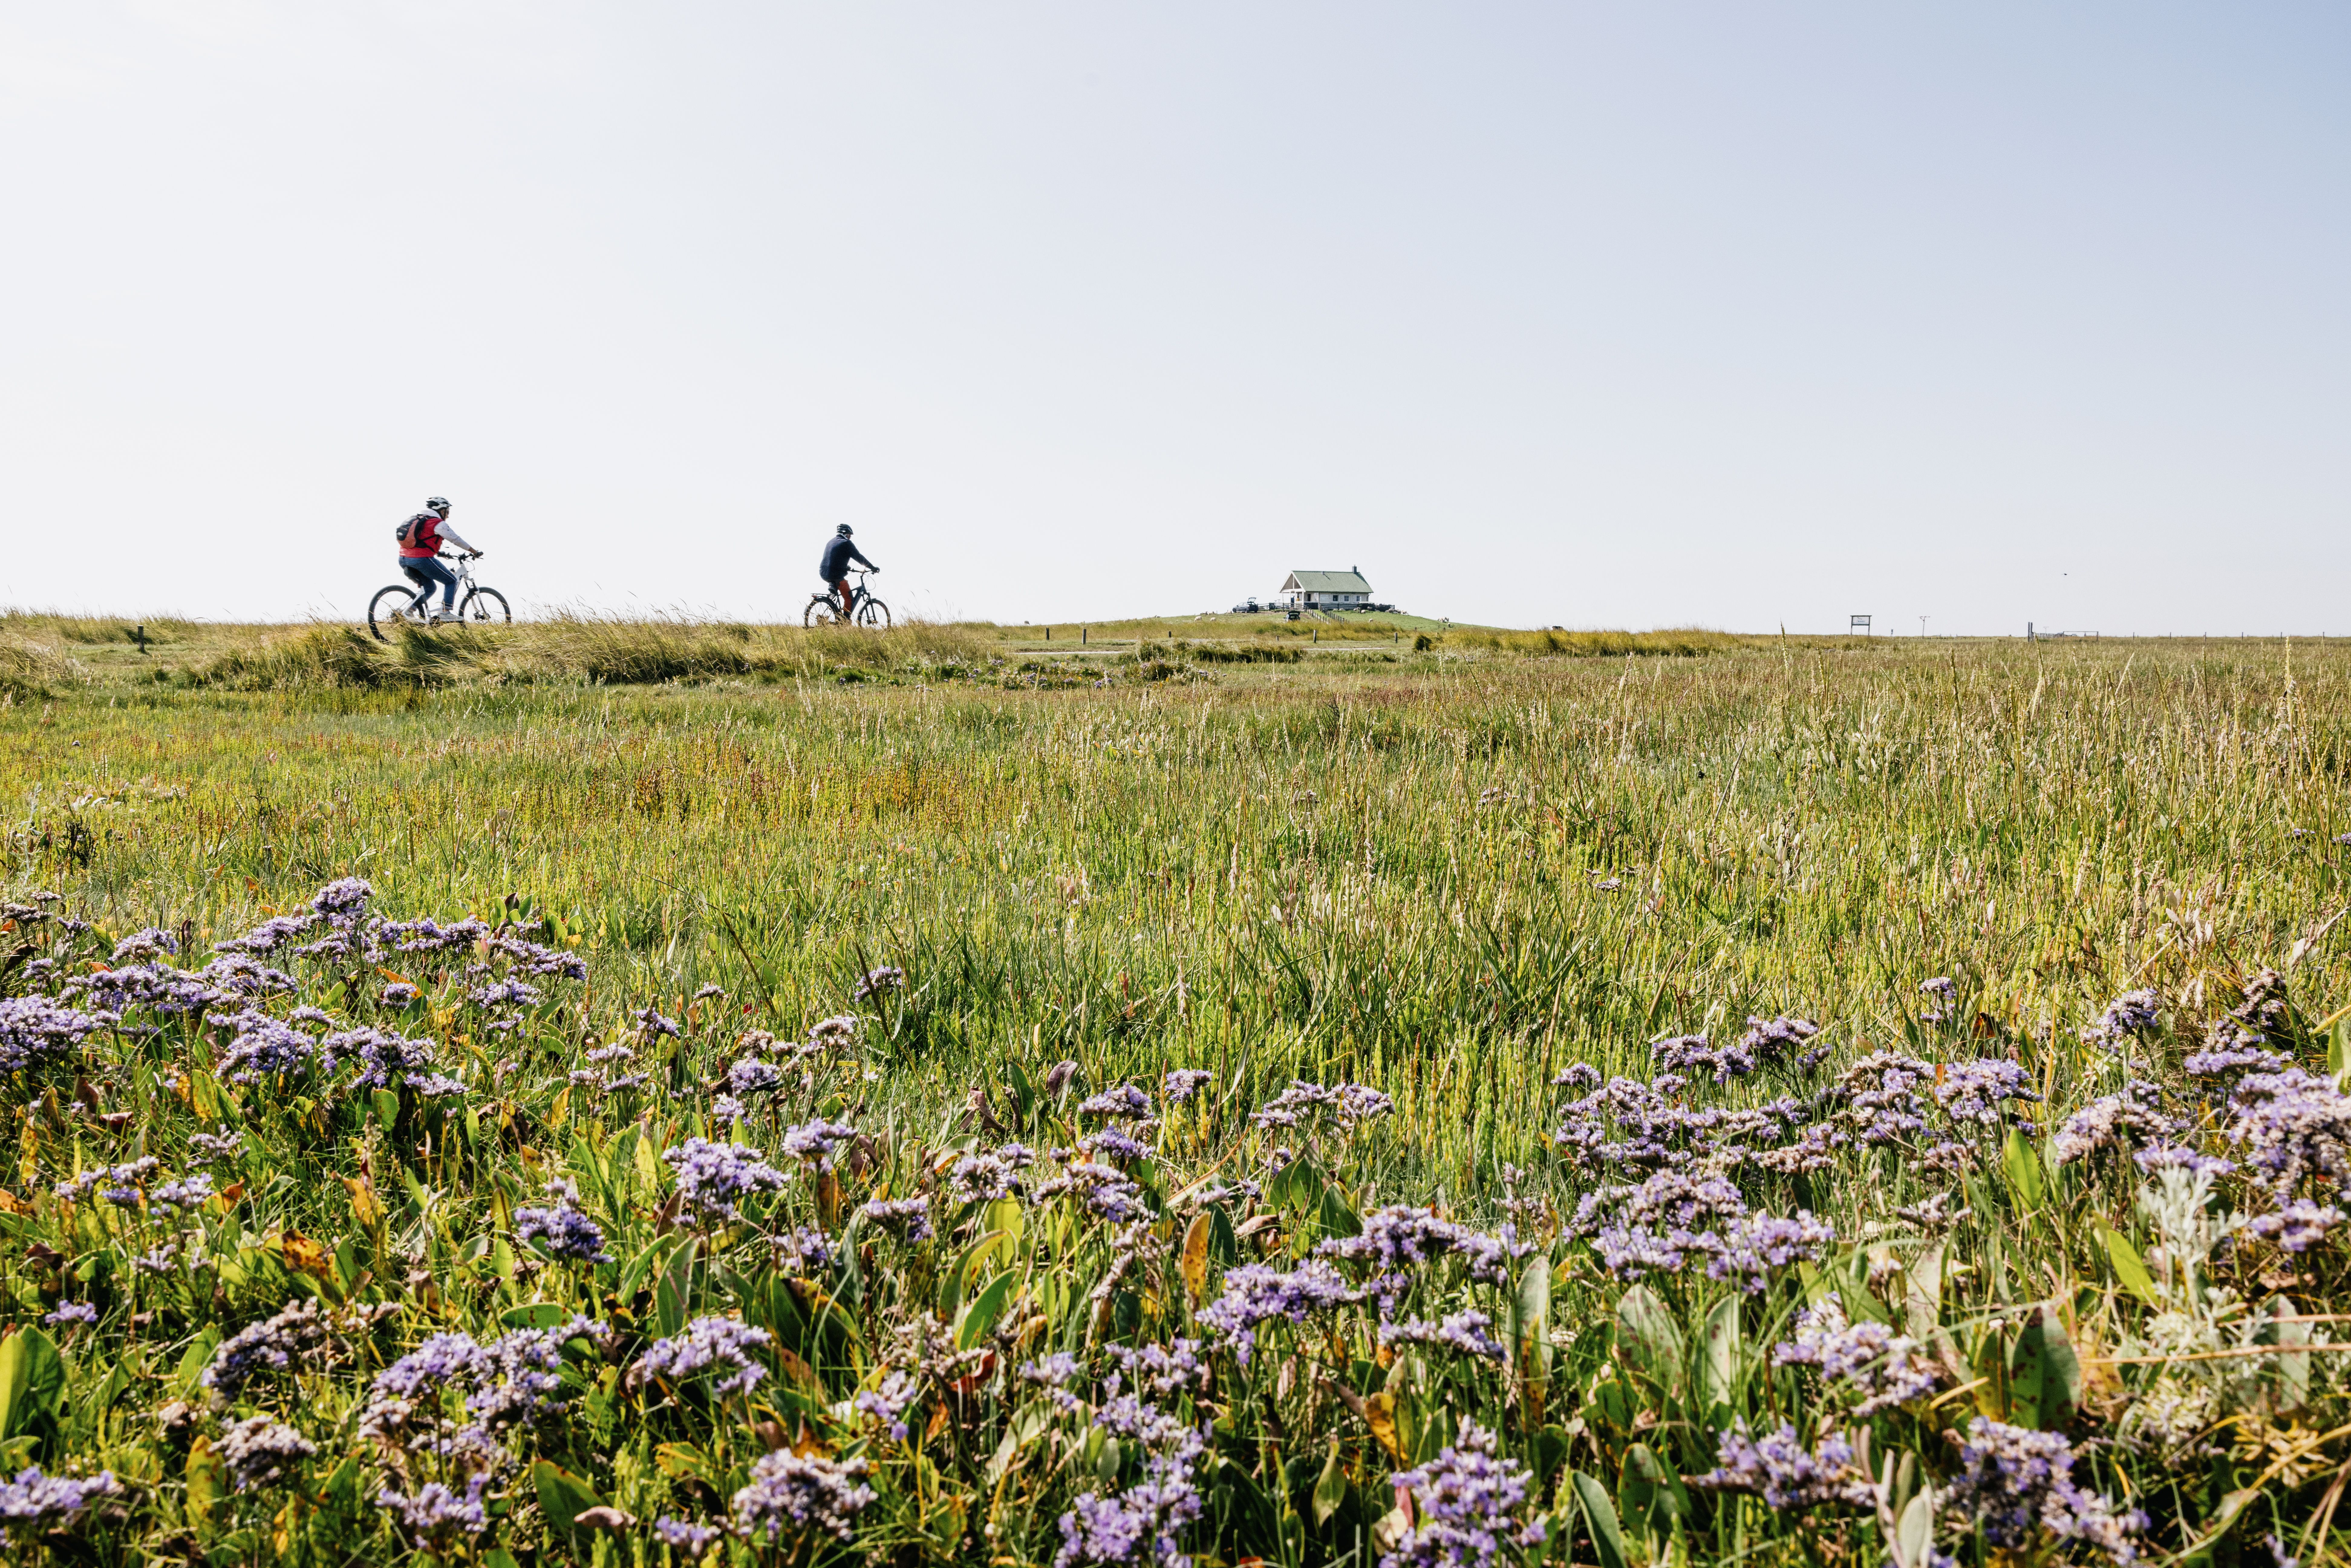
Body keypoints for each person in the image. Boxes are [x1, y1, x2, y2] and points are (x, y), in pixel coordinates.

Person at [396, 497, 481, 622]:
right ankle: (446, 613)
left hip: (404, 559)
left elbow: (421, 540)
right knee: (451, 581)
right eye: (448, 512)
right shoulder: (437, 523)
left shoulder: (419, 519)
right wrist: (474, 551)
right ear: (441, 510)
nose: (448, 516)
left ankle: (409, 611)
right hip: (421, 559)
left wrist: (438, 552)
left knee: (430, 588)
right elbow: (455, 539)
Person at [819, 524, 877, 620]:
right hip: (835, 574)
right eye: (850, 535)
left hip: (824, 572)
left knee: (839, 587)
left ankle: (832, 594)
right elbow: (859, 557)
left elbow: (834, 558)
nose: (850, 537)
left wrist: (845, 567)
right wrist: (872, 568)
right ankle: (845, 621)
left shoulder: (831, 542)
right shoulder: (847, 543)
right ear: (845, 534)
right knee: (849, 598)